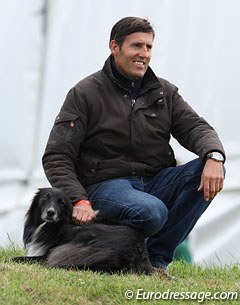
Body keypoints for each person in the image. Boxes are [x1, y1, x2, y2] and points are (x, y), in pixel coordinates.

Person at [42, 17, 225, 276]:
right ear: (114, 47)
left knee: (211, 170)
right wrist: (78, 199)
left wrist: (214, 156)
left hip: (154, 182)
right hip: (105, 186)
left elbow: (197, 128)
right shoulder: (84, 93)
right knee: (151, 211)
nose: (144, 54)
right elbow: (57, 155)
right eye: (136, 46)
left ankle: (156, 262)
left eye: (149, 47)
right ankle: (110, 255)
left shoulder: (164, 91)